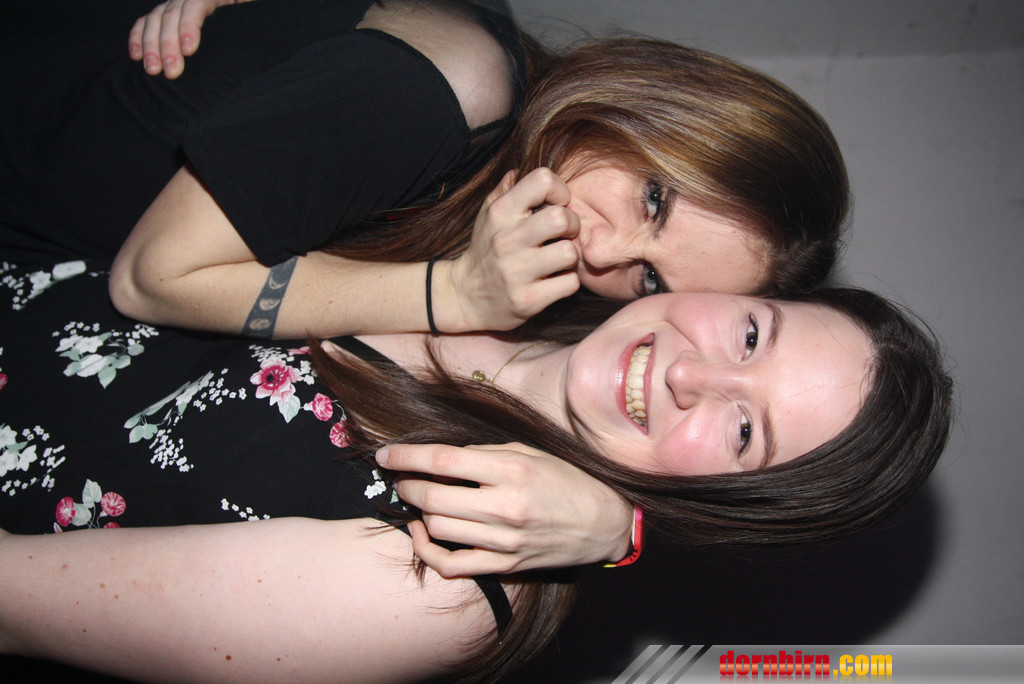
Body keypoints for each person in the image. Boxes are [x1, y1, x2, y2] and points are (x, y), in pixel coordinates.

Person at [0, 257, 952, 681]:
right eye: (751, 334)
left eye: (746, 431)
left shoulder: (447, 580)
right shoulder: (521, 264)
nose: (692, 375)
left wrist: (621, 539)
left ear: (733, 502)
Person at [1, 0, 849, 341]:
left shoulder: (481, 194)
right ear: (652, 105)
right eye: (653, 199)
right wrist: (455, 297)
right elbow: (150, 280)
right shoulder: (454, 91)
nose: (602, 250)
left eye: (650, 279)